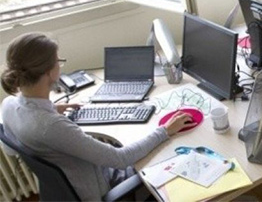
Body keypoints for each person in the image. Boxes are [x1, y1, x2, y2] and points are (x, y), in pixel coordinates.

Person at [0, 33, 196, 201]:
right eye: (58, 61)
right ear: (50, 72)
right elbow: (120, 159)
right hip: (99, 187)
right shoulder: (51, 126)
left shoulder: (9, 105)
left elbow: (10, 149)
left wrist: (53, 108)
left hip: (74, 183)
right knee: (166, 153)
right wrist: (165, 130)